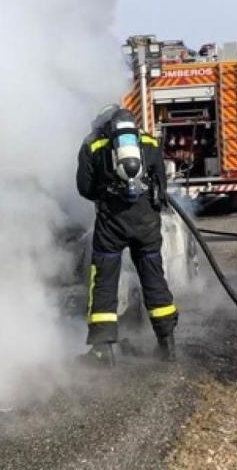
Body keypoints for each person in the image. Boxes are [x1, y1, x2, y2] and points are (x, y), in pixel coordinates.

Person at [76, 105, 178, 367]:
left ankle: (102, 352)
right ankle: (167, 344)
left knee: (105, 282)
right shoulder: (148, 140)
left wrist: (106, 191)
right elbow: (161, 184)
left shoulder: (94, 145)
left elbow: (85, 189)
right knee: (154, 277)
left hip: (112, 224)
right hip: (146, 222)